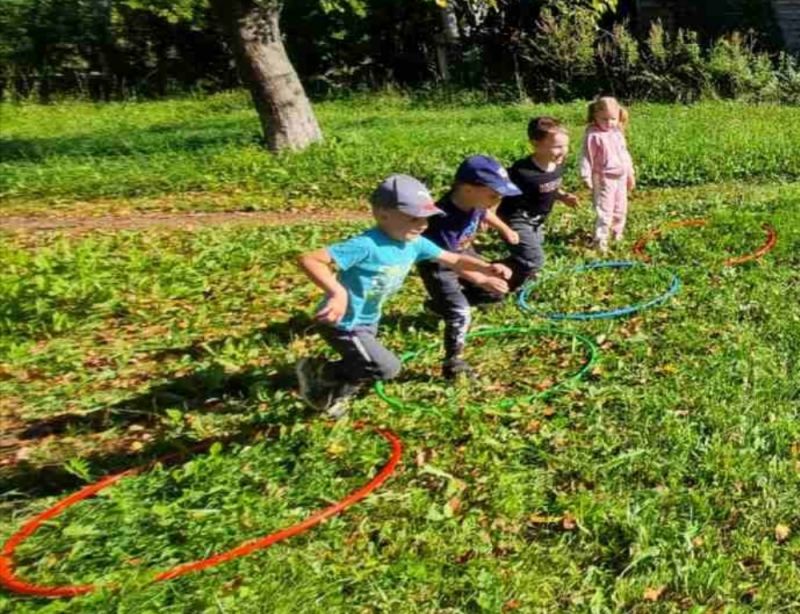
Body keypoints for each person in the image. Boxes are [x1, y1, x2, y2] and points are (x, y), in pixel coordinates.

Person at [296, 173, 511, 417]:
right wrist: (336, 292)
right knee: (386, 368)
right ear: (383, 214)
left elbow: (453, 259)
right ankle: (320, 374)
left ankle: (333, 388)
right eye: (412, 218)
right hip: (343, 321)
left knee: (364, 362)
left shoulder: (415, 243)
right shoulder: (367, 244)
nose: (421, 225)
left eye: (426, 219)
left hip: (368, 318)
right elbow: (310, 259)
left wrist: (486, 268)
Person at [418, 155, 520, 380]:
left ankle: (439, 304)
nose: (498, 199)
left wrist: (505, 230)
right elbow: (450, 261)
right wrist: (482, 276)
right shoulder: (444, 218)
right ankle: (453, 362)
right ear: (468, 189)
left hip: (463, 254)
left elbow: (485, 213)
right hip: (440, 265)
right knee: (459, 312)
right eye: (494, 194)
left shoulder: (474, 202)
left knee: (495, 291)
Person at [497, 116, 579, 290]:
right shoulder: (522, 172)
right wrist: (494, 222)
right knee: (535, 259)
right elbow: (497, 195)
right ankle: (510, 285)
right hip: (516, 220)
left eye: (565, 146)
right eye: (557, 146)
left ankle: (500, 268)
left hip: (536, 221)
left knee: (529, 252)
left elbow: (549, 186)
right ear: (535, 143)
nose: (563, 151)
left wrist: (563, 196)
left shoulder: (556, 165)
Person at [580, 96, 636, 254]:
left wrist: (630, 174)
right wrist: (585, 175)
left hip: (621, 176)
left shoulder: (617, 132)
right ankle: (601, 240)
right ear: (595, 115)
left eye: (613, 118)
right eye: (604, 119)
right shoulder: (593, 135)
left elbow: (625, 155)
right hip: (604, 178)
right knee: (605, 209)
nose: (609, 122)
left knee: (621, 207)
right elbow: (585, 156)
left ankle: (617, 234)